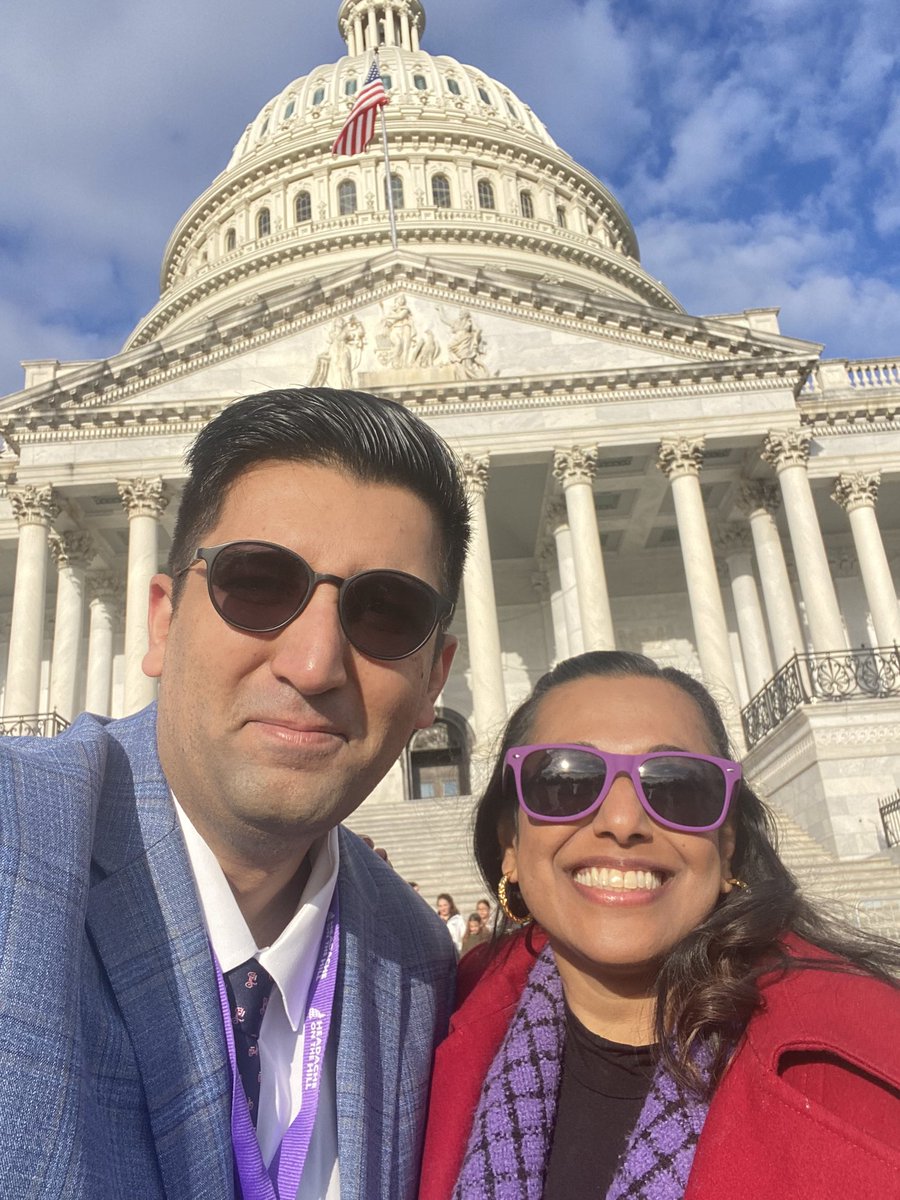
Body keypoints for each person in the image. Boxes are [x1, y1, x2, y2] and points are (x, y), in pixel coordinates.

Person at [0, 386, 471, 1200]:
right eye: (257, 584)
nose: (314, 664)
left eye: (387, 612)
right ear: (162, 619)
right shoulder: (22, 844)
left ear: (435, 678)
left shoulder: (419, 959)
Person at [419, 651, 900, 1200]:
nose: (622, 823)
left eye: (676, 787)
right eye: (566, 782)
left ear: (726, 844)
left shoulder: (869, 1080)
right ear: (510, 843)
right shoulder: (428, 1024)